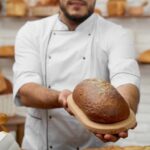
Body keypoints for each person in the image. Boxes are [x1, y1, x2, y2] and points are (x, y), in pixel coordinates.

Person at [13, 0, 140, 150]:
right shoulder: (31, 31)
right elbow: (26, 91)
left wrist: (122, 114)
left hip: (93, 145)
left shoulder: (117, 34)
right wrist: (64, 99)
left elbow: (126, 78)